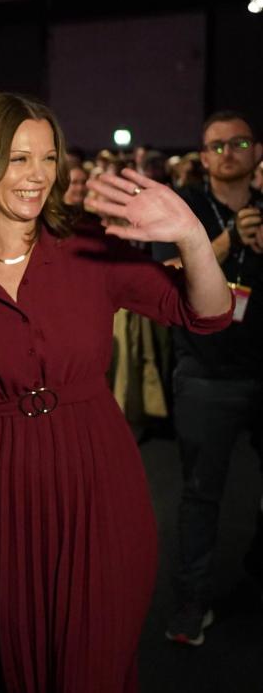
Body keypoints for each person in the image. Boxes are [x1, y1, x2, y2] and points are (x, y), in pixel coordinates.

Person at [0, 92, 231, 692]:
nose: (37, 176)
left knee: (93, 658)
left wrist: (187, 232)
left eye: (47, 158)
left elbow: (206, 313)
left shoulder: (87, 245)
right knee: (4, 656)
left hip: (97, 476)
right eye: (17, 158)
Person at [157, 110, 263, 646]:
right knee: (202, 494)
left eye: (239, 142)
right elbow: (164, 279)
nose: (228, 152)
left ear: (257, 150)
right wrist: (223, 242)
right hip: (206, 372)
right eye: (216, 145)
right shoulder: (187, 209)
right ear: (202, 157)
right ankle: (192, 600)